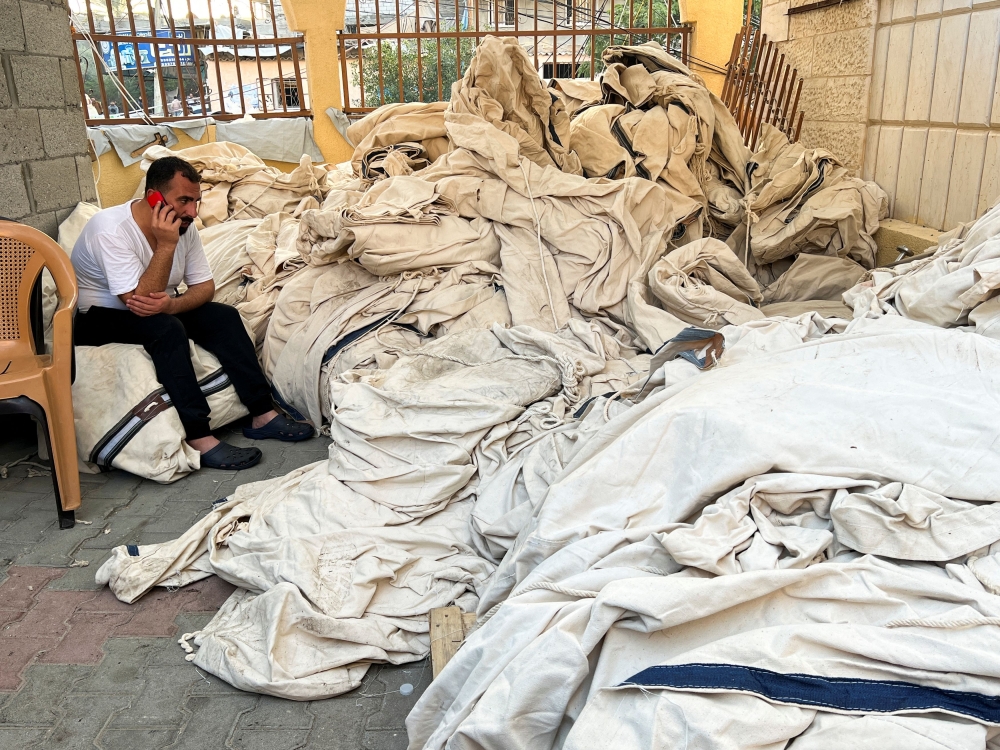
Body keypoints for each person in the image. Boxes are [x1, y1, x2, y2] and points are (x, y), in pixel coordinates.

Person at [71, 156, 312, 470]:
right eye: (183, 200)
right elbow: (140, 301)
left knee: (223, 317)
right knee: (167, 329)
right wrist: (166, 245)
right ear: (153, 197)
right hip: (99, 317)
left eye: (196, 201)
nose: (192, 212)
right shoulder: (111, 230)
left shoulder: (184, 227)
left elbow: (204, 287)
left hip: (158, 308)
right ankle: (200, 437)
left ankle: (262, 413)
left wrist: (172, 304)